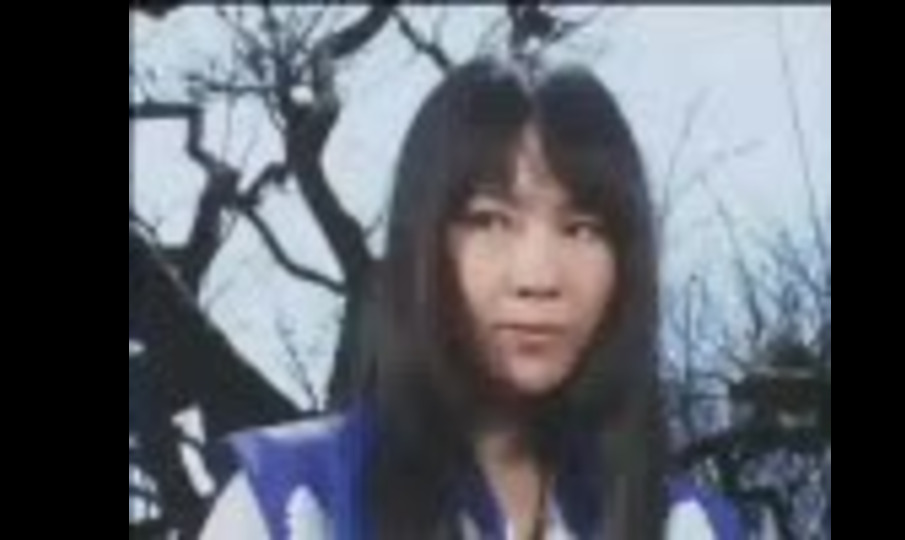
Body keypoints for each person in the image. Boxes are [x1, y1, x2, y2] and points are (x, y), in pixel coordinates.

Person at [200, 56, 744, 540]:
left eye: (582, 229)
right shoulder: (293, 502)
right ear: (422, 243)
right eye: (490, 221)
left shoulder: (686, 525)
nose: (538, 277)